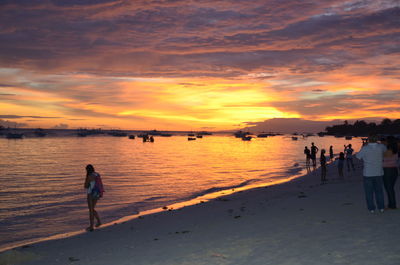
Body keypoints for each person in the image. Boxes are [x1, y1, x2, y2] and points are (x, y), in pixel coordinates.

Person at [355, 134, 386, 213]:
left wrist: (363, 147)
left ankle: (371, 208)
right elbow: (385, 150)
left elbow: (358, 156)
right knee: (379, 191)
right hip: (379, 172)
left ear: (368, 139)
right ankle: (381, 207)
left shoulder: (365, 148)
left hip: (368, 173)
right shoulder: (381, 147)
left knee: (369, 192)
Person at [84, 164, 102, 231]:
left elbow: (85, 186)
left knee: (91, 210)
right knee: (92, 209)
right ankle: (99, 222)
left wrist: (87, 180)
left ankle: (91, 226)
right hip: (97, 194)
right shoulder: (97, 174)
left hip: (90, 194)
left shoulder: (89, 176)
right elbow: (100, 184)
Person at [382, 136, 399, 209]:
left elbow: (379, 157)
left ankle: (392, 205)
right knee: (390, 188)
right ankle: (391, 204)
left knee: (389, 188)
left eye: (386, 141)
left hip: (387, 171)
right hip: (394, 170)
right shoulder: (396, 150)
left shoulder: (387, 151)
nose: (385, 142)